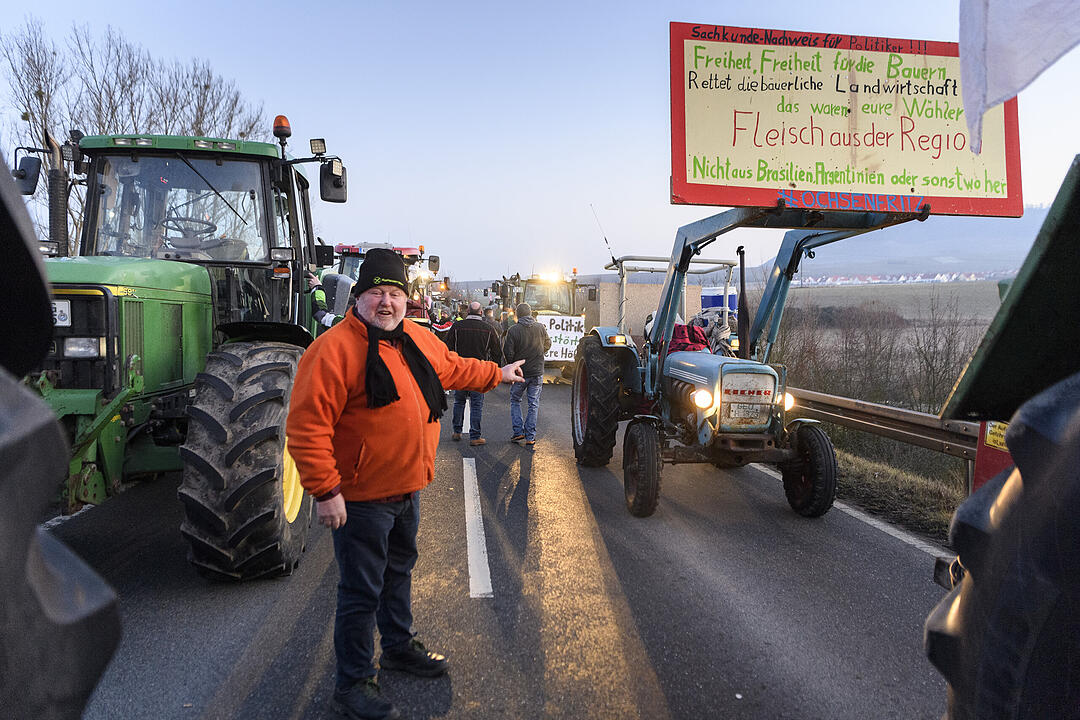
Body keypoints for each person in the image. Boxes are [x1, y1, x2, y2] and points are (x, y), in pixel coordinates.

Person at [286, 249, 524, 720]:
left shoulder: (414, 339)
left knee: (398, 572)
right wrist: (326, 490)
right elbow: (307, 426)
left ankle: (396, 645)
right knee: (360, 590)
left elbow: (453, 368)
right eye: (376, 292)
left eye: (394, 293)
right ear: (359, 297)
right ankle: (352, 685)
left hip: (407, 487)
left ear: (405, 299)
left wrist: (496, 373)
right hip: (359, 498)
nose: (387, 302)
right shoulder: (333, 349)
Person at [445, 302, 504, 446]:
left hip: (460, 371)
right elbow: (497, 352)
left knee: (459, 401)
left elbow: (447, 347)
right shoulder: (488, 329)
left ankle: (457, 431)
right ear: (481, 312)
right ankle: (475, 436)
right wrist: (495, 370)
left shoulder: (457, 327)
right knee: (476, 404)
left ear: (468, 311)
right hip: (479, 372)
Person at [502, 302, 550, 447]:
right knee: (533, 404)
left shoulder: (513, 330)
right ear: (530, 313)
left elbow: (508, 351)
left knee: (515, 400)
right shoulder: (540, 328)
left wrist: (513, 365)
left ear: (517, 314)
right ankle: (530, 436)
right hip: (537, 372)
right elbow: (548, 344)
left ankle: (518, 432)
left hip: (520, 373)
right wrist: (539, 354)